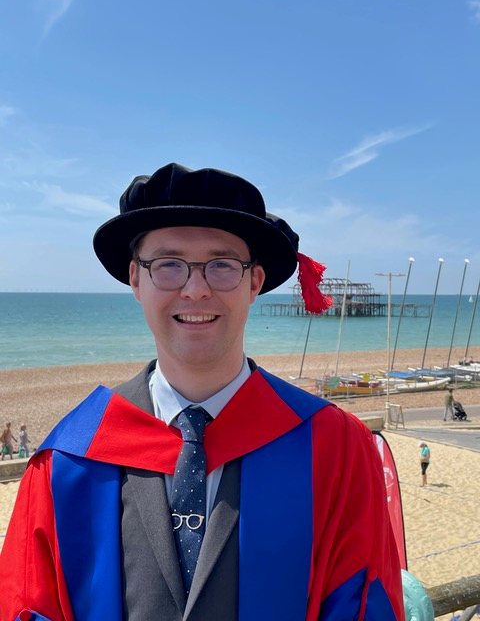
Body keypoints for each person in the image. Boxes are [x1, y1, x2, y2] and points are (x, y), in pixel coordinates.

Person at [0, 163, 405, 620]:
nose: (196, 290)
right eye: (169, 265)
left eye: (222, 266)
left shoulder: (335, 447)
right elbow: (25, 605)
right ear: (136, 279)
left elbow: (365, 606)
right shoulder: (69, 460)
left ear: (254, 282)